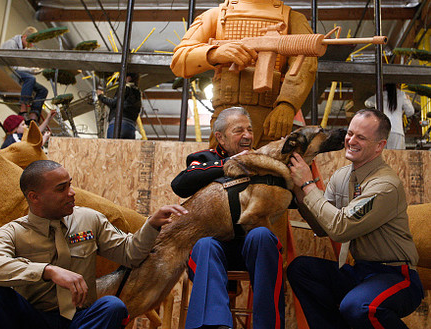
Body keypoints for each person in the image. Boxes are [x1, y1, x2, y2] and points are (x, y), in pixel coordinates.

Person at [0, 159, 188, 329]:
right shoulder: (13, 232)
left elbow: (130, 253)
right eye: (61, 188)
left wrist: (152, 225)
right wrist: (48, 271)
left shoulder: (89, 219)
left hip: (81, 319)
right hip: (32, 318)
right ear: (34, 197)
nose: (71, 193)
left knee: (113, 307)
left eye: (70, 185)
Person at [287, 108, 424, 328]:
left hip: (397, 276)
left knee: (358, 306)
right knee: (301, 269)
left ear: (380, 146)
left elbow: (342, 229)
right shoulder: (342, 176)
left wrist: (307, 185)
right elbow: (324, 227)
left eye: (361, 137)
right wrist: (298, 193)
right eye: (350, 133)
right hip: (360, 271)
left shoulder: (385, 185)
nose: (351, 140)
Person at [171, 107, 285, 329]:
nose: (247, 136)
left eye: (250, 130)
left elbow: (289, 199)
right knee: (204, 245)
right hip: (214, 250)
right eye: (239, 130)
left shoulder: (262, 161)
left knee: (262, 236)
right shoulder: (206, 158)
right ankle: (213, 326)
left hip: (253, 248)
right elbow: (180, 184)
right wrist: (232, 163)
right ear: (220, 137)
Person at [171, 0, 317, 148]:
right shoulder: (216, 16)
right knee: (223, 168)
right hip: (227, 118)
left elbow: (307, 64)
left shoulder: (292, 18)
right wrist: (215, 54)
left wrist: (287, 104)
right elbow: (179, 61)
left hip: (270, 118)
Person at [1, 27, 49, 122]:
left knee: (43, 90)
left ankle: (34, 115)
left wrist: (34, 69)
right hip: (7, 71)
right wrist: (31, 70)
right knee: (30, 78)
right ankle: (23, 109)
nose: (32, 45)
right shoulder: (11, 44)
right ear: (24, 37)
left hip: (16, 73)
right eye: (31, 42)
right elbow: (11, 67)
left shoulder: (23, 48)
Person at [365, 83, 415, 149]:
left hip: (382, 131)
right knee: (397, 156)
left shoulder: (379, 95)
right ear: (397, 85)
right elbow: (410, 112)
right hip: (397, 131)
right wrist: (408, 99)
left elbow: (367, 103)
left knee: (382, 156)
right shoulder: (401, 94)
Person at [97, 73, 141, 139]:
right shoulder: (138, 93)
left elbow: (114, 103)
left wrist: (100, 96)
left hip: (118, 124)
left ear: (128, 78)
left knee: (112, 147)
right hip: (131, 127)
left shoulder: (125, 88)